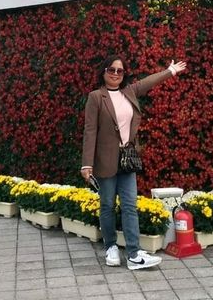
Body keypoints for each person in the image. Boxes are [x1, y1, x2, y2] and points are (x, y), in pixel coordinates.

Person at [81, 55, 187, 270]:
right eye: (111, 70)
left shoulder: (129, 91)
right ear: (103, 71)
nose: (115, 74)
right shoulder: (95, 97)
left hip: (127, 159)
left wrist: (171, 71)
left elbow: (148, 82)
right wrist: (86, 164)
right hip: (105, 160)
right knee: (107, 205)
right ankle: (110, 246)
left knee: (130, 205)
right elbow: (90, 131)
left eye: (120, 71)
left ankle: (133, 253)